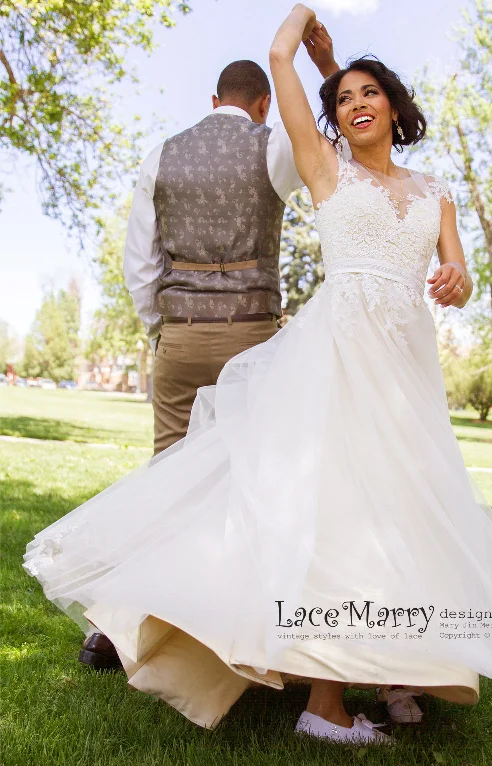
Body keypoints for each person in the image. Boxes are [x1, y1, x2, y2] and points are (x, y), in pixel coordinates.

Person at [23, 5, 492, 747]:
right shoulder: (327, 170)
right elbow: (278, 55)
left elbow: (454, 266)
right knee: (336, 505)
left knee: (400, 507)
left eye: (370, 94)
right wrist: (306, 27)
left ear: (395, 106)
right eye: (344, 100)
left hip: (405, 365)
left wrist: (455, 278)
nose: (355, 105)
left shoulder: (436, 193)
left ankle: (396, 668)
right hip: (336, 355)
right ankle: (322, 702)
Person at [78, 49, 342, 672]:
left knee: (165, 480)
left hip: (180, 338)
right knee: (250, 482)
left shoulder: (162, 154)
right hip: (250, 336)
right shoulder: (272, 146)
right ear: (262, 105)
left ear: (212, 100)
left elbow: (138, 264)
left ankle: (111, 632)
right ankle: (233, 635)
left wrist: (163, 329)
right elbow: (332, 150)